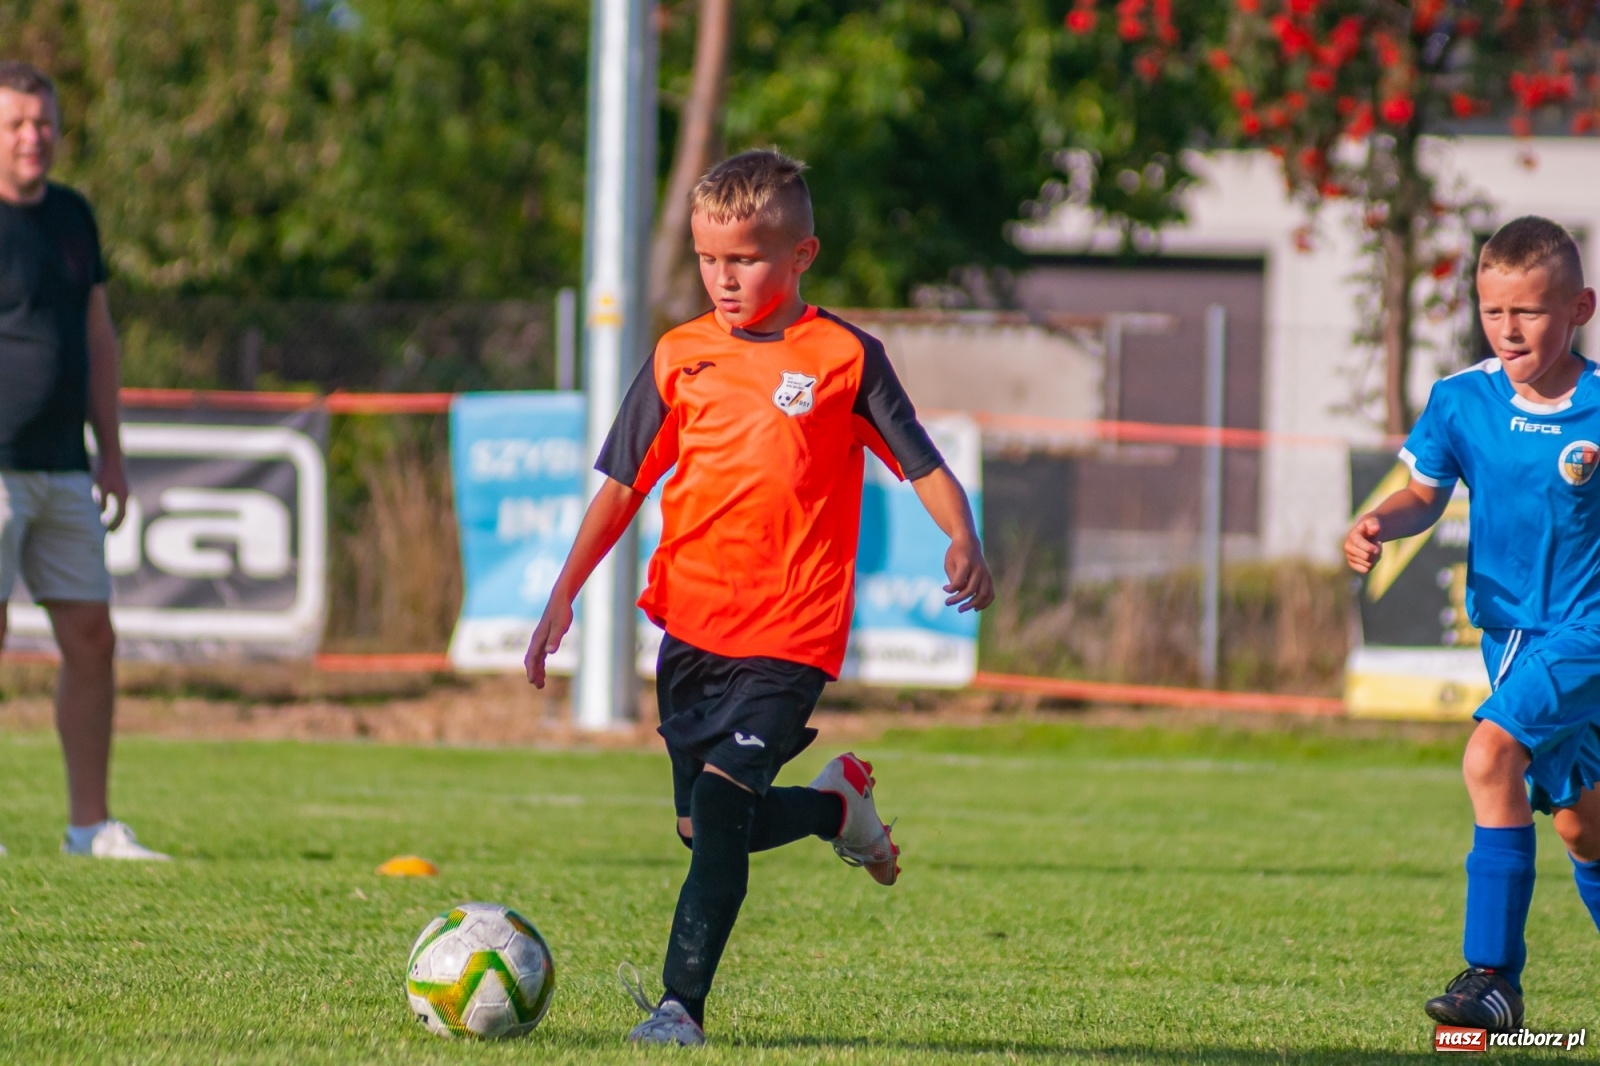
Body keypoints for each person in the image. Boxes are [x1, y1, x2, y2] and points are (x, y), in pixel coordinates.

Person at [525, 148, 992, 1044]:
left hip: (790, 635)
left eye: (743, 258)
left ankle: (680, 1009)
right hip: (692, 633)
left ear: (800, 254)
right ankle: (835, 807)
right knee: (701, 827)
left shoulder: (845, 358)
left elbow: (923, 463)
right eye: (708, 258)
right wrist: (563, 593)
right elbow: (620, 486)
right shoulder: (679, 357)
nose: (724, 278)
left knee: (721, 807)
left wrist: (962, 534)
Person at [1345, 215, 1600, 1032]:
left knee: (1490, 755)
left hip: (1587, 631)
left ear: (1580, 309)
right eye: (1494, 311)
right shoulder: (1460, 400)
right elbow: (1425, 494)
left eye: (1529, 311)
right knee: (1582, 824)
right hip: (1508, 638)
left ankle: (1492, 978)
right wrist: (1379, 522)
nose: (1509, 328)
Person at [0, 61, 166, 861]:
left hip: (65, 466)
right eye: (16, 124)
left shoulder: (73, 216)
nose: (33, 137)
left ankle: (89, 826)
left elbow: (98, 336)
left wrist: (113, 454)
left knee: (93, 637)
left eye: (44, 123)